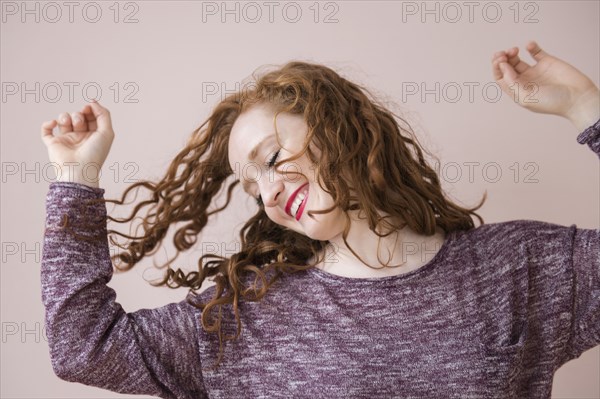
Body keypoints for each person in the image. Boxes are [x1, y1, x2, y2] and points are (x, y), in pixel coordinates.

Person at [40, 41, 599, 398]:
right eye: (252, 188)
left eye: (273, 159)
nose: (271, 195)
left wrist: (585, 108)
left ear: (339, 125)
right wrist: (75, 179)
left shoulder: (516, 270)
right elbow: (83, 346)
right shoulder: (245, 315)